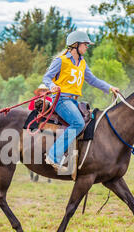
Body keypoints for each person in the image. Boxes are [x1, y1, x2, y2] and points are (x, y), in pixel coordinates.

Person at [42, 30, 120, 173]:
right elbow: (46, 78)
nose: (87, 47)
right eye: (85, 44)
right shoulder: (61, 60)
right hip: (61, 100)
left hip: (74, 101)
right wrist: (52, 86)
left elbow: (93, 80)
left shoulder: (82, 63)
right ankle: (53, 156)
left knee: (91, 120)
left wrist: (110, 88)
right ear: (75, 45)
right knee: (78, 123)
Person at [27, 84, 52, 183]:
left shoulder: (50, 100)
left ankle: (49, 175)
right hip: (35, 125)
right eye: (41, 90)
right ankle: (33, 173)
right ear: (38, 92)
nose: (43, 92)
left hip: (47, 125)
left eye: (45, 90)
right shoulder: (34, 100)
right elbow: (30, 112)